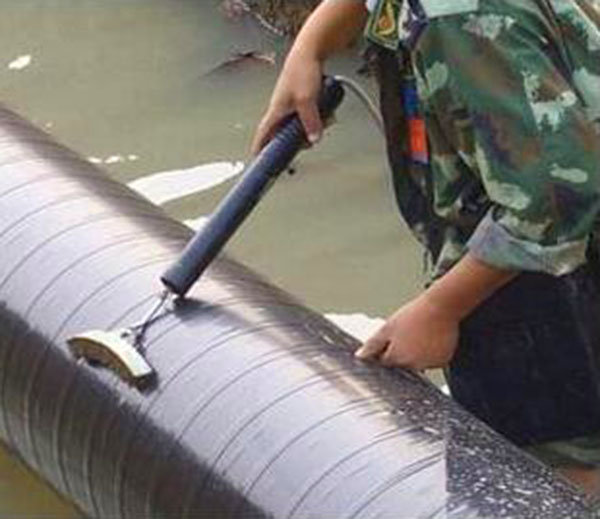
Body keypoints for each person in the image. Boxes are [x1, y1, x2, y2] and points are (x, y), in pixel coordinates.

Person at [251, 0, 600, 500]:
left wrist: (440, 309)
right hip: (516, 246)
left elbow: (556, 199)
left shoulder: (455, 21)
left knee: (553, 473)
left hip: (549, 276)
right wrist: (310, 46)